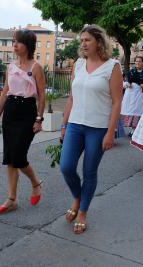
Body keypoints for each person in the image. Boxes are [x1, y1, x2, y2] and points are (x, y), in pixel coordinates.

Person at [59, 25, 123, 234]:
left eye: (87, 40)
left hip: (98, 128)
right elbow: (71, 97)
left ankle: (83, 211)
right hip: (75, 125)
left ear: (99, 42)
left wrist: (110, 132)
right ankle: (78, 197)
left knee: (89, 172)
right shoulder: (78, 64)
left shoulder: (112, 66)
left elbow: (116, 102)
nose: (83, 44)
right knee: (66, 167)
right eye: (81, 40)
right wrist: (64, 123)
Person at [0, 29, 46, 214]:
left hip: (27, 113)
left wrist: (39, 119)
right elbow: (5, 92)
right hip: (11, 112)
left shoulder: (36, 67)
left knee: (19, 156)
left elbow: (41, 94)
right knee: (9, 157)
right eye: (14, 41)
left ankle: (35, 183)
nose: (15, 45)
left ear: (28, 46)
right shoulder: (11, 66)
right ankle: (11, 199)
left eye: (18, 42)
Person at [121, 56, 143, 137]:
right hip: (130, 95)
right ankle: (132, 130)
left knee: (138, 112)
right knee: (130, 112)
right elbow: (125, 83)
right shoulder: (131, 72)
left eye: (139, 61)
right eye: (136, 61)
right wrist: (127, 84)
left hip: (140, 95)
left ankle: (136, 130)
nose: (137, 63)